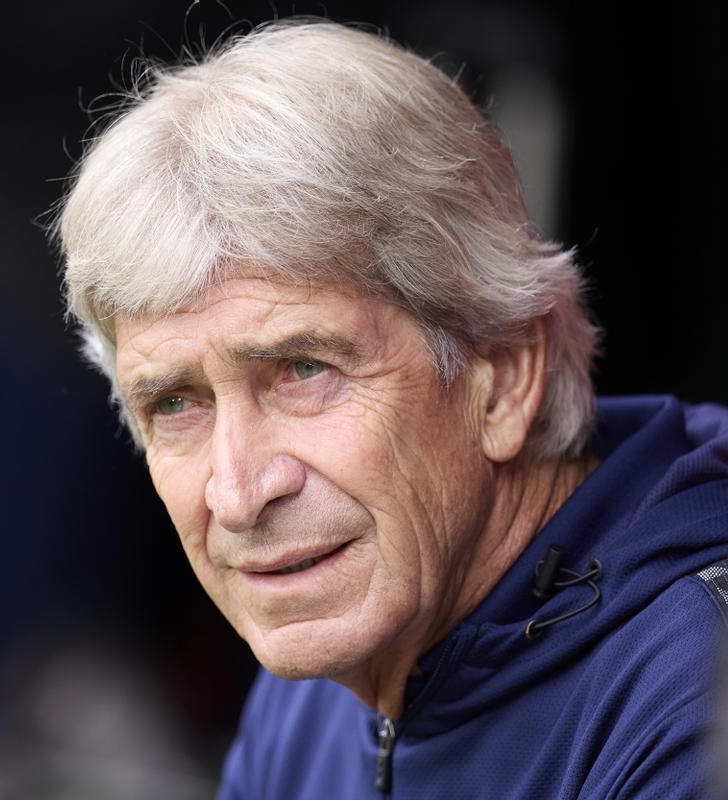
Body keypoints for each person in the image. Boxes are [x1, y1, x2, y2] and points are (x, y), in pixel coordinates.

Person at [49, 19, 728, 799]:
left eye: (305, 371)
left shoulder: (694, 701)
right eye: (175, 404)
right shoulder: (329, 653)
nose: (238, 495)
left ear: (503, 378)